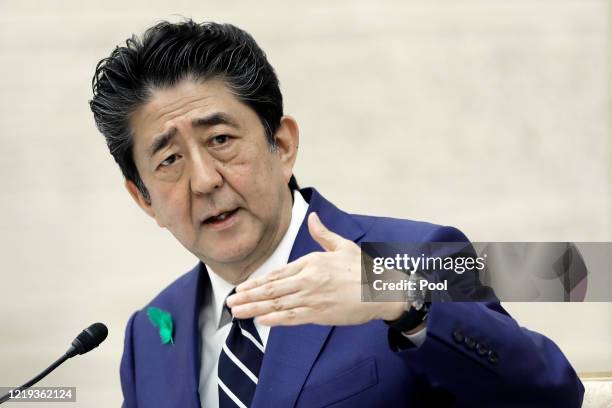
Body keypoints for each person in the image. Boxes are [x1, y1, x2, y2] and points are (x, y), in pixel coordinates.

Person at [89, 19, 584, 408]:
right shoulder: (149, 333)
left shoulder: (411, 257)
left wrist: (405, 303)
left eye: (221, 140)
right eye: (170, 160)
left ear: (281, 145)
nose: (204, 180)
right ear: (144, 199)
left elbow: (550, 395)